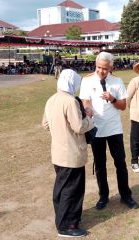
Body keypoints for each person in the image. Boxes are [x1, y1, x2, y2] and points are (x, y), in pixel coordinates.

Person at [79, 52, 139, 210]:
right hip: (96, 129)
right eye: (98, 67)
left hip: (114, 129)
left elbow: (123, 106)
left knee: (120, 163)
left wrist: (112, 99)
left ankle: (126, 195)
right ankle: (103, 196)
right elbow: (85, 101)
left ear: (111, 67)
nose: (101, 71)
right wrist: (87, 109)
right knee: (100, 165)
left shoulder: (117, 81)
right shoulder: (87, 81)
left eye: (105, 69)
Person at [42, 69, 94, 238]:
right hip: (72, 153)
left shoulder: (51, 99)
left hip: (58, 152)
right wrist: (89, 118)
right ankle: (67, 226)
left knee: (61, 188)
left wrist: (60, 133)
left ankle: (62, 219)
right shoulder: (70, 101)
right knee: (72, 190)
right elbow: (79, 127)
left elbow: (45, 124)